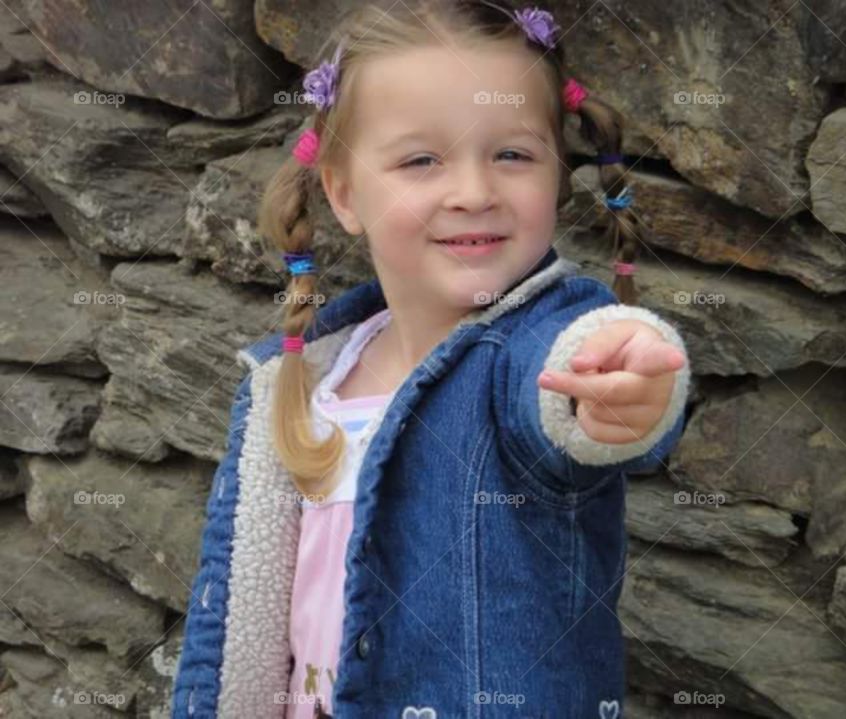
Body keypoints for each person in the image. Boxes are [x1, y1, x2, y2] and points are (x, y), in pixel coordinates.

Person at [171, 1, 691, 717]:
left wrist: (622, 389)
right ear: (344, 194)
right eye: (421, 160)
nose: (474, 193)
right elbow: (233, 614)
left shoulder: (531, 352)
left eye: (512, 155)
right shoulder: (304, 377)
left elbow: (566, 383)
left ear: (557, 173)